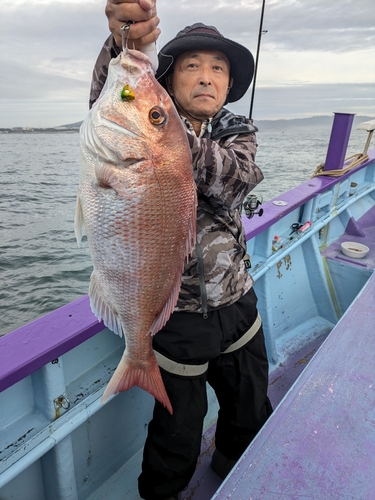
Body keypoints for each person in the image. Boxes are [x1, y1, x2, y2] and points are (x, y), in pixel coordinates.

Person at [91, 2, 273, 499]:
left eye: (218, 68)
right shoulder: (137, 122)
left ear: (229, 85)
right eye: (191, 66)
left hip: (238, 304)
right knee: (178, 426)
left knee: (250, 402)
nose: (206, 77)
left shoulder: (237, 131)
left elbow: (236, 181)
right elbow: (114, 99)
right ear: (169, 80)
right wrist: (124, 44)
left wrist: (161, 133)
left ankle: (237, 463)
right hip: (178, 316)